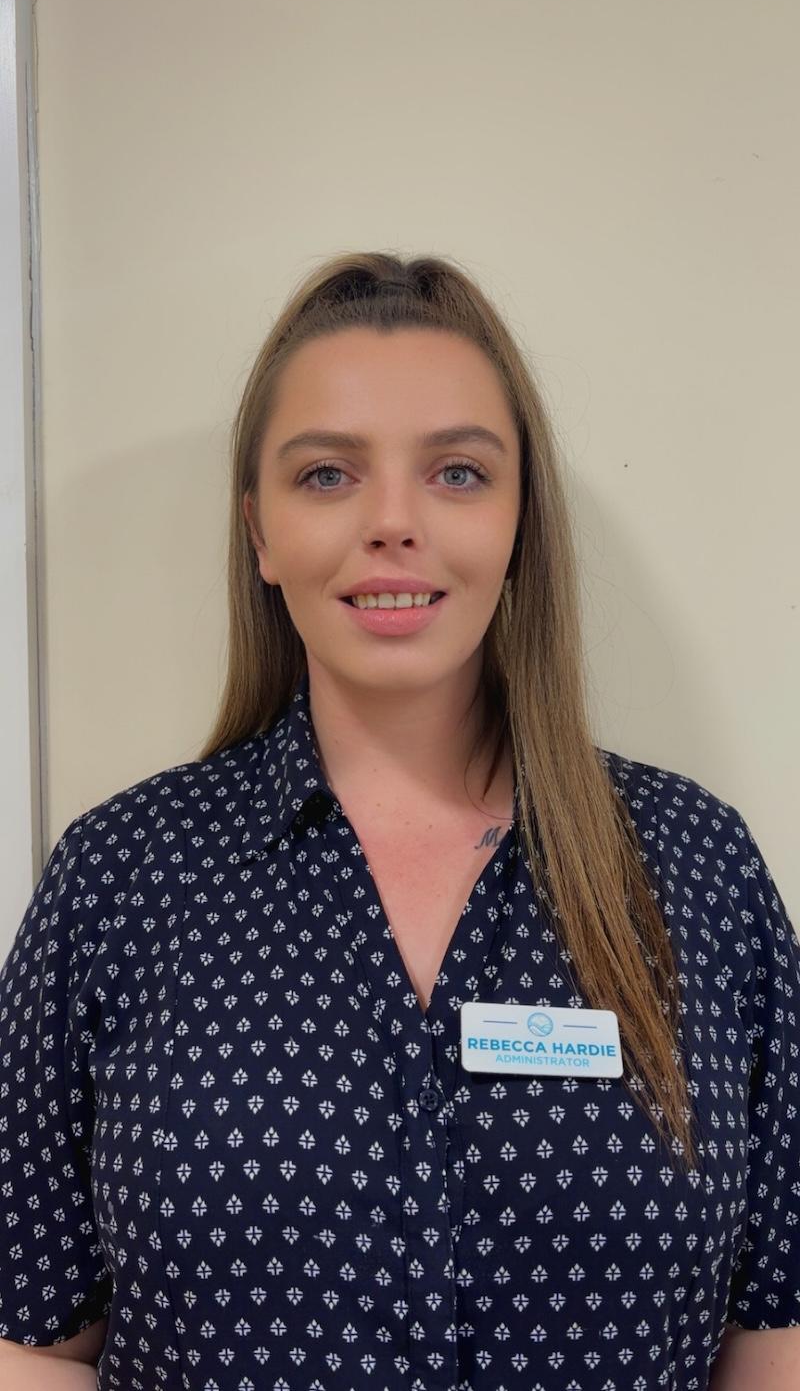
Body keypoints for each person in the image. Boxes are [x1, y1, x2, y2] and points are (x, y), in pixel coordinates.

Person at [0, 252, 798, 1391]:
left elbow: (772, 1326)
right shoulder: (123, 879)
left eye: (457, 474)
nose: (391, 523)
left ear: (521, 523)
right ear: (260, 534)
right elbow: (30, 1335)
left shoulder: (691, 871)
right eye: (325, 476)